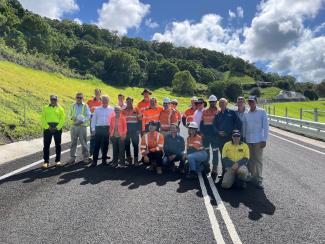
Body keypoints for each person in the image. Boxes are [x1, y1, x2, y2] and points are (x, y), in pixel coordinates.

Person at [243, 96, 269, 189]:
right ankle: (251, 177)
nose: (250, 103)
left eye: (252, 101)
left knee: (258, 160)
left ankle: (258, 180)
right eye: (249, 102)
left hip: (258, 140)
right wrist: (244, 138)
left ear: (256, 102)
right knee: (250, 160)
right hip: (249, 140)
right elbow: (245, 127)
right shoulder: (246, 113)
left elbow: (266, 127)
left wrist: (264, 139)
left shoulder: (262, 112)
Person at [213, 98, 242, 177]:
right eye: (220, 103)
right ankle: (224, 172)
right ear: (219, 104)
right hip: (220, 139)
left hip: (230, 139)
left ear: (227, 104)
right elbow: (214, 126)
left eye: (223, 103)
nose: (222, 104)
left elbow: (239, 124)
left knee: (232, 155)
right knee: (224, 156)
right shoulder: (217, 114)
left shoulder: (232, 113)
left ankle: (233, 173)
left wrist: (234, 134)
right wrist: (218, 132)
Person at [41, 95, 65, 168]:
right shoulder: (45, 108)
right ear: (50, 100)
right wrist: (48, 127)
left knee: (58, 145)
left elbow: (62, 119)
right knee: (46, 146)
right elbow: (42, 118)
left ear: (57, 100)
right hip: (47, 128)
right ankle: (46, 162)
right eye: (52, 99)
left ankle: (58, 161)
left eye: (55, 99)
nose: (53, 101)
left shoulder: (60, 109)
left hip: (57, 128)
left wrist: (57, 127)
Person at [89, 95, 114, 167]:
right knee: (96, 146)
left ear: (108, 101)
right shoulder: (97, 109)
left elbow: (113, 120)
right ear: (101, 101)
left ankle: (104, 161)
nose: (105, 101)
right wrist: (93, 129)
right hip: (98, 129)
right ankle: (94, 161)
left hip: (107, 128)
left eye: (106, 100)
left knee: (105, 145)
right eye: (104, 100)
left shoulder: (111, 109)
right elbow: (93, 120)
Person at [67, 92, 91, 164]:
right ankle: (72, 158)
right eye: (77, 97)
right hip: (74, 126)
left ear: (82, 98)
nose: (79, 99)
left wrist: (82, 121)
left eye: (80, 97)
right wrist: (72, 118)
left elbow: (88, 115)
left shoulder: (85, 106)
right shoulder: (72, 106)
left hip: (82, 126)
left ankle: (86, 158)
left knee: (84, 143)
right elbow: (69, 115)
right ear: (75, 98)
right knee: (73, 143)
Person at [200, 95, 219, 174]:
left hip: (215, 136)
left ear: (216, 102)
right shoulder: (204, 111)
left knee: (215, 152)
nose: (212, 103)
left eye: (213, 102)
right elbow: (201, 123)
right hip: (206, 135)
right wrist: (202, 133)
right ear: (209, 102)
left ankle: (214, 169)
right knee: (206, 152)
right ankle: (206, 167)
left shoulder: (219, 111)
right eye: (210, 102)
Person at [123, 96, 141, 165]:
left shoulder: (136, 109)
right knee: (127, 145)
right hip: (126, 130)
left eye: (130, 101)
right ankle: (129, 159)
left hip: (135, 129)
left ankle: (136, 160)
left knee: (135, 145)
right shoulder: (123, 110)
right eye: (128, 102)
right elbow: (122, 122)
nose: (129, 103)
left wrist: (139, 129)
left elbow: (139, 120)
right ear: (126, 102)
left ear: (132, 102)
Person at [87, 88, 102, 157]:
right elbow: (86, 111)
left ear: (100, 93)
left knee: (102, 137)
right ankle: (92, 153)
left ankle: (103, 154)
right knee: (93, 137)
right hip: (93, 121)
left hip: (101, 122)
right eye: (95, 92)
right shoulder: (90, 101)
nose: (97, 93)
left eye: (98, 92)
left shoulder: (103, 101)